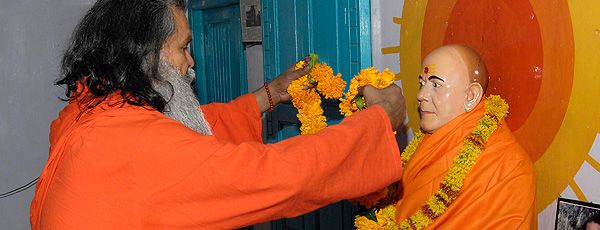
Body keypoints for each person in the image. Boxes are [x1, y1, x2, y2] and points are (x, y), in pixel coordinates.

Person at [30, 0, 407, 229]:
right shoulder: (131, 145)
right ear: (147, 56)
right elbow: (275, 176)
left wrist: (268, 96)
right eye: (183, 48)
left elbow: (192, 127)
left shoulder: (91, 110)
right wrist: (378, 121)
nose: (191, 65)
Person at [396, 44, 535, 228]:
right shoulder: (427, 141)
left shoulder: (509, 167)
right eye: (422, 83)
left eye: (436, 85)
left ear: (471, 96)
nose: (421, 95)